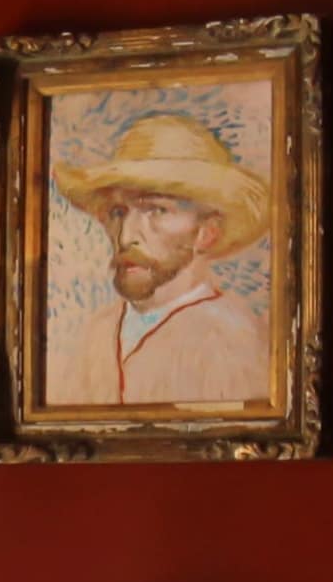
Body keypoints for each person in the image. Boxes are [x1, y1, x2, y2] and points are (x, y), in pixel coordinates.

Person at [46, 112, 275, 407]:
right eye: (118, 213)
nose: (126, 237)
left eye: (156, 210)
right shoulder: (98, 332)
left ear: (207, 232)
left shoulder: (235, 341)